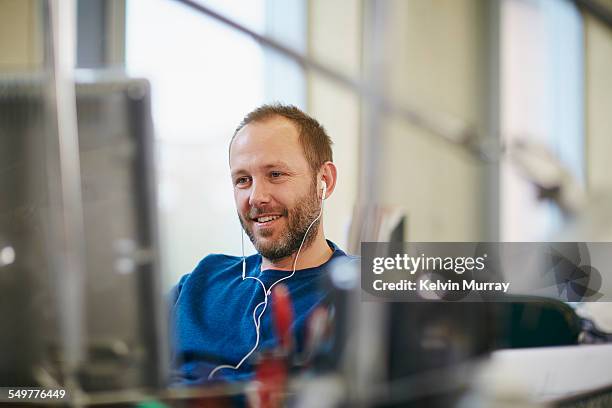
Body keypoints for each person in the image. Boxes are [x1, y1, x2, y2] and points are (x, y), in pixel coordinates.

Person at [169, 104, 356, 384]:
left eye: (276, 174)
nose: (256, 197)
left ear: (324, 181)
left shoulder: (357, 285)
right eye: (243, 180)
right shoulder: (200, 281)